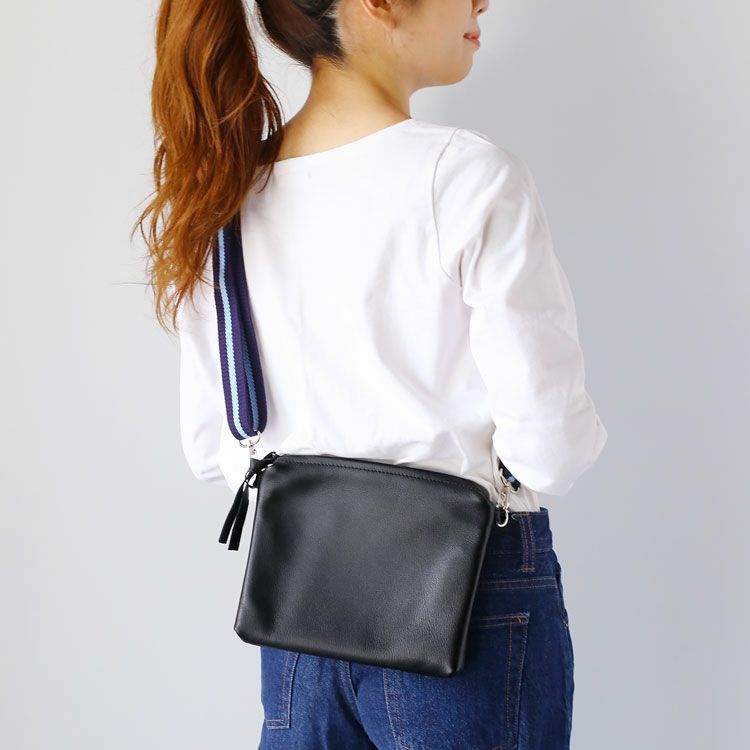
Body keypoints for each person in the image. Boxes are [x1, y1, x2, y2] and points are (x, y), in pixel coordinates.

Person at [136, 0, 608, 748]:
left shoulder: (223, 193)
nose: (482, 3)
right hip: (467, 598)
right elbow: (552, 448)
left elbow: (213, 447)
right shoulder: (465, 176)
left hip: (301, 604)